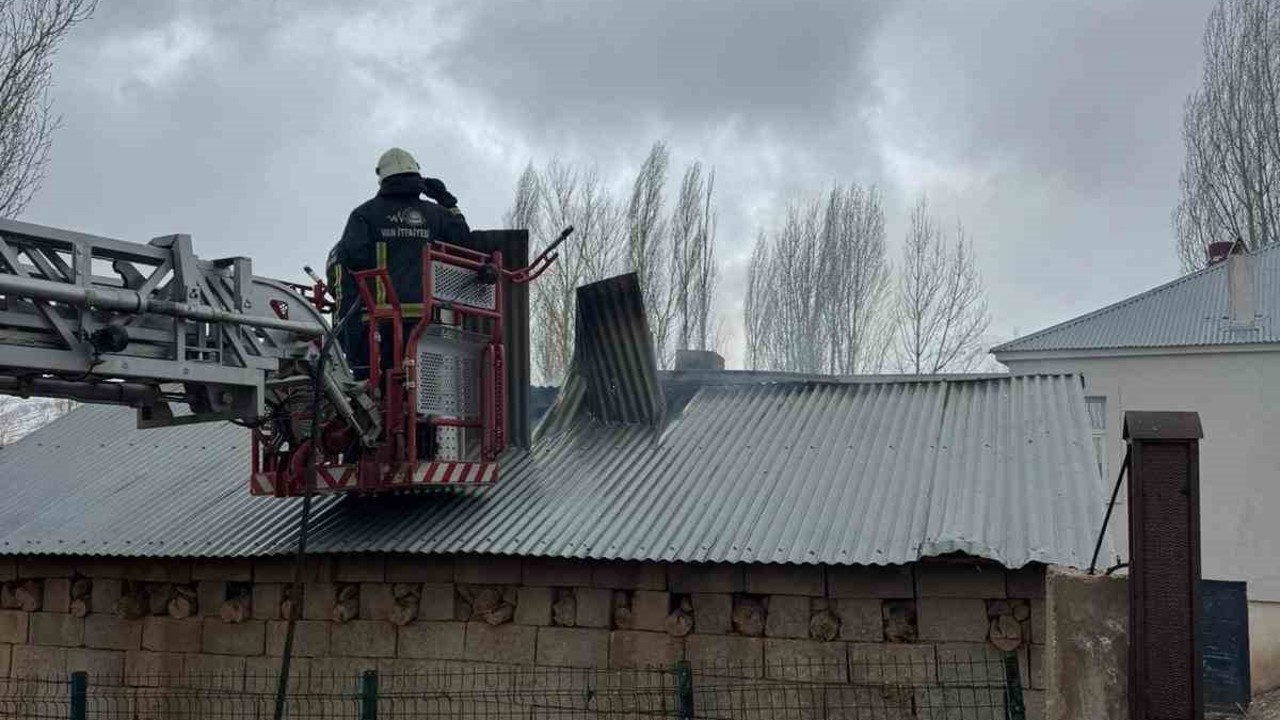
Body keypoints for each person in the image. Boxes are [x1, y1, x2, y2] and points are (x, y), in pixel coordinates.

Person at [326, 148, 470, 379]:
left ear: (382, 177)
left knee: (380, 384)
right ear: (417, 175)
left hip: (379, 318)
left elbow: (353, 258)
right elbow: (464, 241)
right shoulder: (436, 214)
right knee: (420, 383)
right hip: (425, 318)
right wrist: (447, 200)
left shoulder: (364, 214)